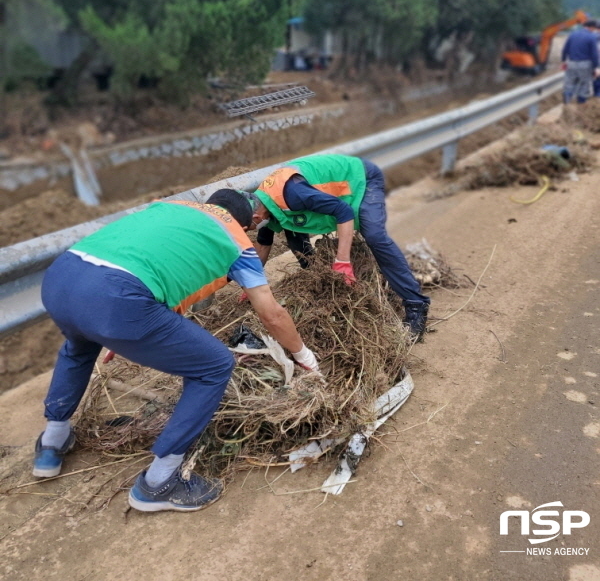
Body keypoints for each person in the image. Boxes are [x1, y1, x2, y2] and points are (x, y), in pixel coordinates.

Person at [33, 189, 318, 513]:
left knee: (78, 348)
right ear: (249, 224)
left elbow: (157, 268)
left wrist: (122, 333)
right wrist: (303, 356)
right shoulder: (238, 244)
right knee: (214, 366)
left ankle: (51, 444)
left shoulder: (171, 209)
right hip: (118, 300)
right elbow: (272, 315)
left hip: (61, 279)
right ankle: (159, 482)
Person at [251, 154, 430, 340]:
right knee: (295, 236)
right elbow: (264, 243)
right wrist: (252, 283)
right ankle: (323, 286)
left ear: (256, 217)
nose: (251, 230)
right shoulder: (262, 202)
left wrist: (342, 262)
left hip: (360, 178)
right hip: (324, 188)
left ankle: (415, 304)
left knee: (375, 236)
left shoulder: (293, 194)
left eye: (250, 227)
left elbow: (343, 211)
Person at [561, 20, 600, 103]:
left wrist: (564, 61)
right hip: (585, 64)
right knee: (584, 85)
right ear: (592, 27)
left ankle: (567, 105)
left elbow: (565, 49)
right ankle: (580, 106)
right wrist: (596, 67)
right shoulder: (591, 37)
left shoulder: (572, 35)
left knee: (569, 84)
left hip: (571, 63)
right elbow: (594, 54)